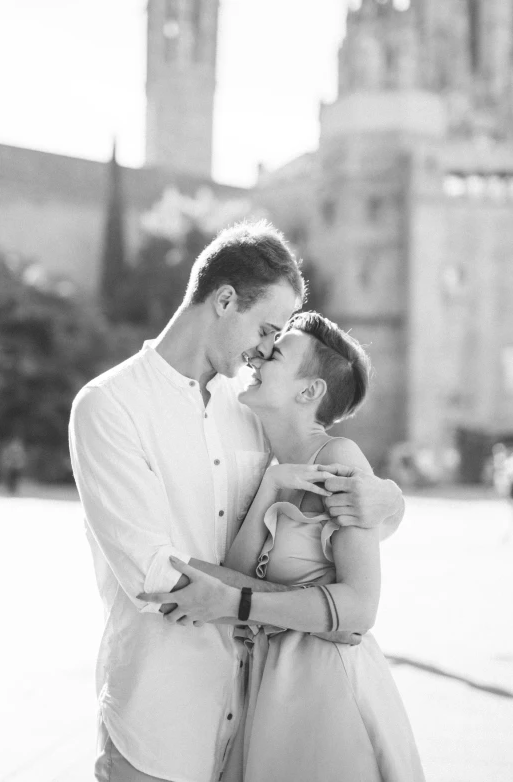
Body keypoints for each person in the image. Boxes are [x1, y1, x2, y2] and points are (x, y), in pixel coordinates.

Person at [69, 221, 404, 782]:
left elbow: (328, 495)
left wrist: (387, 501)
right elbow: (155, 572)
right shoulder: (110, 406)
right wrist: (319, 611)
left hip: (258, 722)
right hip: (161, 725)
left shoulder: (251, 405)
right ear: (224, 299)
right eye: (267, 327)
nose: (268, 347)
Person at [141, 312, 424, 782]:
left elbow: (360, 608)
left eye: (275, 353)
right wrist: (272, 486)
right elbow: (234, 572)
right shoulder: (274, 466)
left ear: (310, 391)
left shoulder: (338, 458)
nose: (257, 354)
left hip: (327, 692)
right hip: (269, 690)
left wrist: (390, 496)